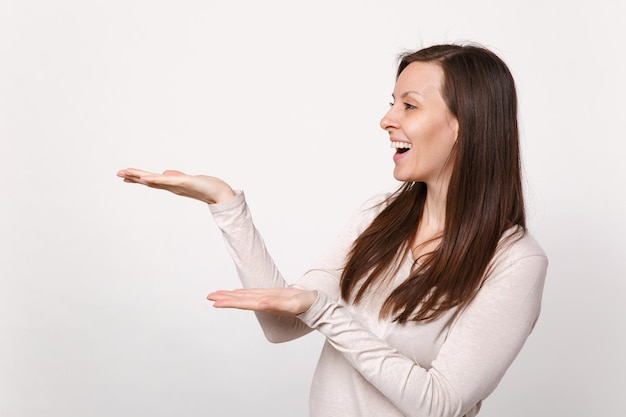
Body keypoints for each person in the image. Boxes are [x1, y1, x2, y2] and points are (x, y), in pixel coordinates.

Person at [117, 43, 548, 417]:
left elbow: (439, 404)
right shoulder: (380, 218)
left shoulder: (515, 261)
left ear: (463, 125)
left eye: (409, 106)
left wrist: (324, 312)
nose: (386, 119)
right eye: (392, 102)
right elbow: (281, 324)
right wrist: (226, 205)